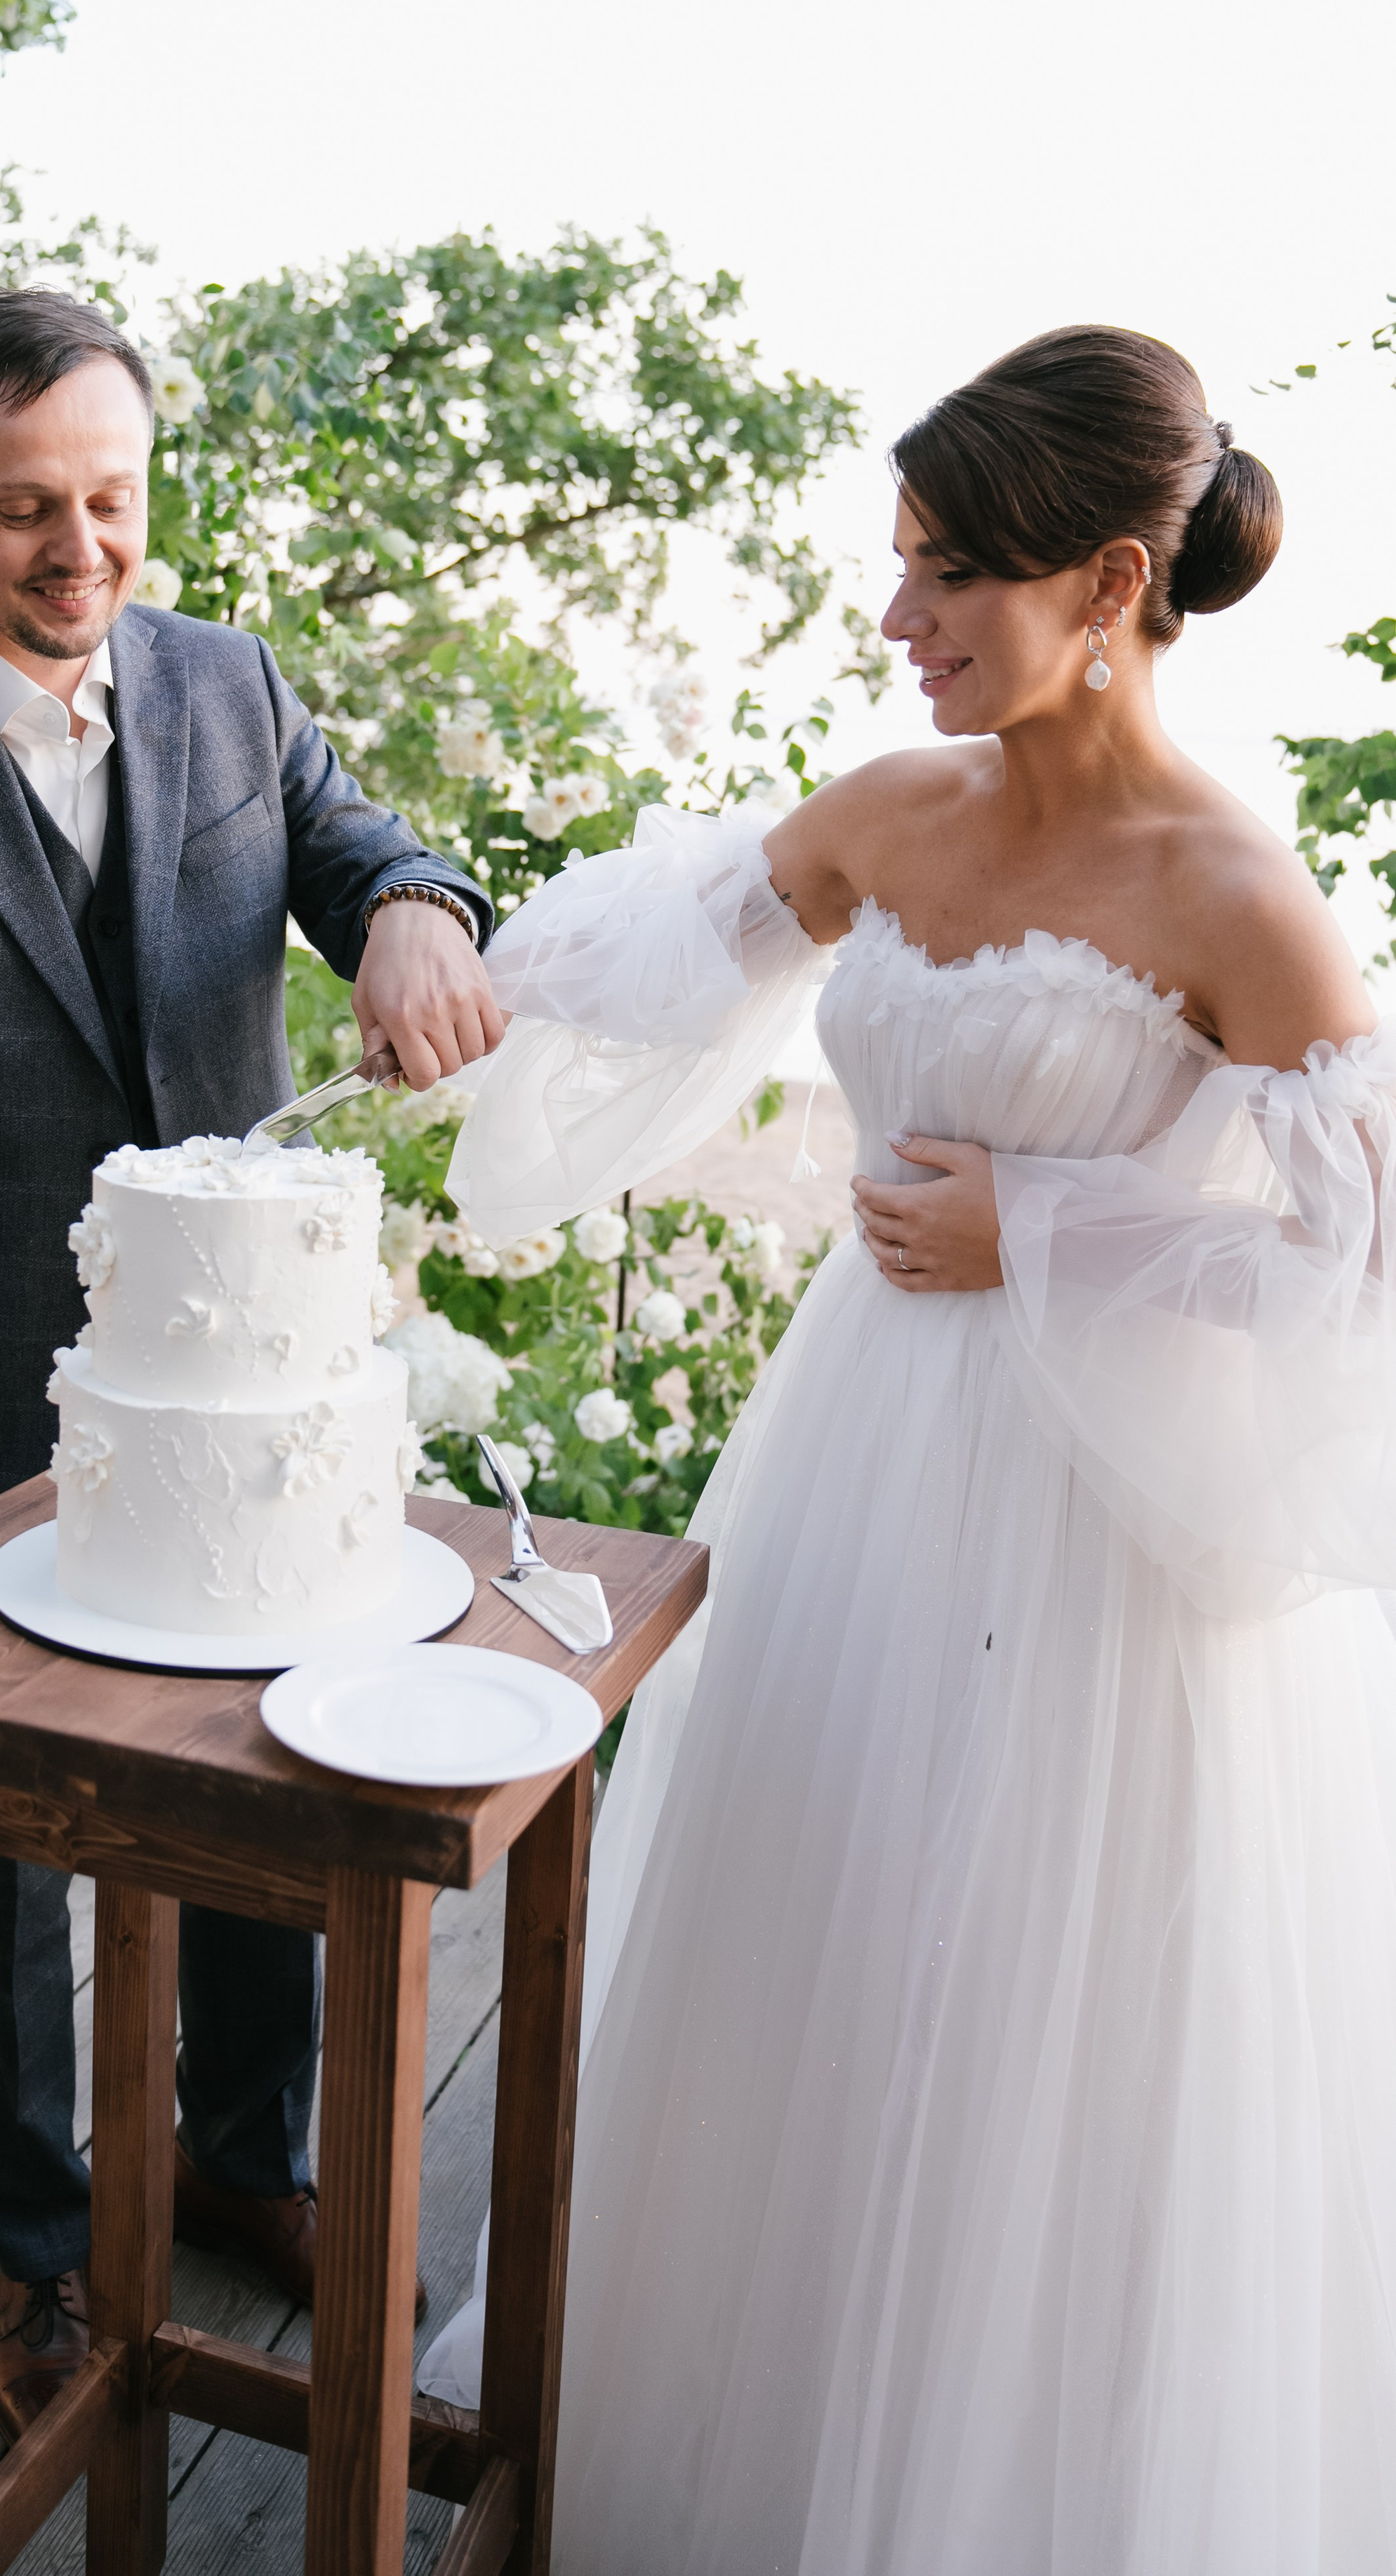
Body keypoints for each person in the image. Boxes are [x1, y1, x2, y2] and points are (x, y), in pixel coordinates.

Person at [427, 326, 1396, 2572]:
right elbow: (663, 959)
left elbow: (1359, 1297)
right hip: (857, 1470)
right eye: (900, 567)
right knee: (811, 1933)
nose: (899, 620)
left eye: (950, 575)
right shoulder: (887, 808)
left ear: (1114, 579)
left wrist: (1041, 1220)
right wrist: (458, 981)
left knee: (1031, 2020)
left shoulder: (1245, 901)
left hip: (1087, 1541)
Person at [0, 288, 501, 2443]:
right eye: (25, 510)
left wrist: (420, 899)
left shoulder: (238, 688)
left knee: (274, 1788)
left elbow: (361, 856)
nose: (82, 551)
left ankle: (242, 2154)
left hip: (238, 1423)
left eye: (115, 500)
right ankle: (47, 2251)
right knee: (4, 1856)